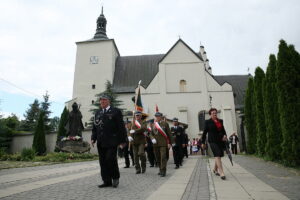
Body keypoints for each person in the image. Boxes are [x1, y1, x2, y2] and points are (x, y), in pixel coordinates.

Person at [91, 95, 127, 188]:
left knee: (110, 159)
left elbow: (121, 127)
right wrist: (93, 138)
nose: (102, 102)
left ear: (108, 101)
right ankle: (106, 181)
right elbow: (95, 127)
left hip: (112, 141)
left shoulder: (115, 111)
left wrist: (123, 141)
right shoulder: (97, 113)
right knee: (102, 161)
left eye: (104, 100)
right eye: (101, 100)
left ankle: (115, 178)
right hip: (101, 141)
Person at [201, 108, 227, 180]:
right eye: (213, 113)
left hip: (220, 140)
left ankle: (215, 169)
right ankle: (221, 172)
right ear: (210, 114)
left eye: (215, 113)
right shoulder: (207, 122)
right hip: (212, 141)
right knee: (217, 154)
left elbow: (223, 130)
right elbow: (204, 133)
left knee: (218, 155)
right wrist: (203, 142)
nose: (215, 114)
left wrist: (225, 136)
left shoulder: (220, 121)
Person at [150, 112, 172, 177]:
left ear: (161, 117)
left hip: (163, 143)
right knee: (158, 158)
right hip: (155, 144)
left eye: (158, 116)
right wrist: (152, 138)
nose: (157, 117)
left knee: (163, 157)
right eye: (156, 116)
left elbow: (169, 134)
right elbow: (150, 133)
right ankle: (160, 169)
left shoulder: (165, 124)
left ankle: (163, 171)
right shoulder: (154, 124)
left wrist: (170, 143)